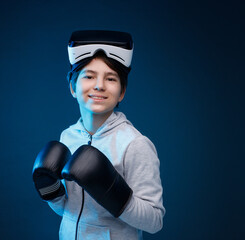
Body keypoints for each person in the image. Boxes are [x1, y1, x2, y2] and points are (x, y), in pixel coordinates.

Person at [32, 30, 165, 240]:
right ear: (72, 87)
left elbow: (154, 221)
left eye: (110, 78)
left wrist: (114, 193)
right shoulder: (67, 137)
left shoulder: (135, 144)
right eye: (89, 76)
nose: (99, 85)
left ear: (121, 92)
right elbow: (70, 211)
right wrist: (52, 193)